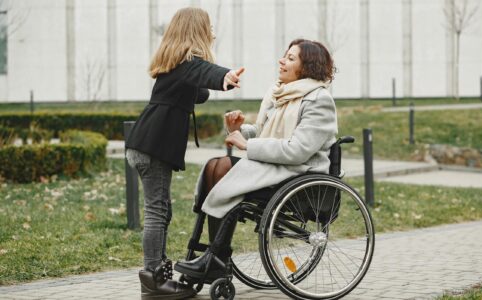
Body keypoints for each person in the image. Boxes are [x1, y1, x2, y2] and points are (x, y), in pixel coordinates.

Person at [174, 38, 338, 281]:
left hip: (298, 175)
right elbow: (266, 133)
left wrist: (246, 144)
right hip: (276, 169)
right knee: (213, 166)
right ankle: (213, 256)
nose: (282, 61)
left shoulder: (319, 100)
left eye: (291, 58)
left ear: (307, 68)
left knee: (222, 168)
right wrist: (239, 130)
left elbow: (297, 150)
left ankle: (217, 259)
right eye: (285, 55)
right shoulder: (282, 94)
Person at [125, 7, 244, 300]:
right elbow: (204, 72)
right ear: (197, 31)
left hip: (146, 146)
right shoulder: (186, 62)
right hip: (151, 148)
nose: (211, 31)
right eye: (208, 27)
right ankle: (153, 281)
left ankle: (159, 274)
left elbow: (198, 87)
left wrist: (214, 84)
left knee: (162, 211)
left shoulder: (176, 65)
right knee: (156, 212)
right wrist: (224, 75)